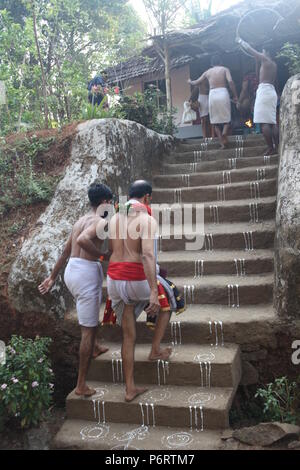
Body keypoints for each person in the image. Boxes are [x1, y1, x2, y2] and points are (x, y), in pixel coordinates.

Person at [38, 183, 113, 397]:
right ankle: (81, 384)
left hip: (72, 270)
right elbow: (83, 240)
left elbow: (66, 249)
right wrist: (102, 255)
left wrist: (53, 277)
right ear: (105, 202)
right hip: (86, 273)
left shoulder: (80, 220)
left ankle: (96, 346)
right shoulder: (100, 221)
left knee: (89, 317)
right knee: (87, 330)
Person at [106, 180, 172, 402]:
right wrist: (153, 291)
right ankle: (155, 349)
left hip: (114, 280)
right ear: (147, 198)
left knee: (128, 335)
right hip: (136, 278)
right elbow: (147, 255)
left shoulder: (114, 218)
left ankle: (129, 388)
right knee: (168, 302)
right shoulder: (146, 219)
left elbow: (110, 250)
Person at [237, 39, 279, 155]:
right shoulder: (273, 64)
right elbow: (258, 74)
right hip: (270, 91)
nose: (262, 53)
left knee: (264, 123)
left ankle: (270, 148)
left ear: (267, 52)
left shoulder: (266, 59)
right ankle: (276, 147)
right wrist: (257, 62)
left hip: (264, 91)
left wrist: (241, 41)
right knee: (272, 121)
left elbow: (251, 50)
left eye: (263, 51)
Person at [188, 54, 239, 149]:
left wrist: (190, 81)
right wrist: (235, 96)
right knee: (227, 119)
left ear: (211, 64)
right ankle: (224, 133)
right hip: (223, 92)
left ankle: (222, 143)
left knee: (214, 122)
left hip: (212, 94)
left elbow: (196, 82)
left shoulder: (208, 72)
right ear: (221, 62)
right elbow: (231, 82)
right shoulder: (225, 69)